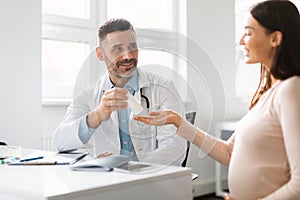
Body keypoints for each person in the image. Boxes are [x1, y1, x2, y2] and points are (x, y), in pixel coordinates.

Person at [135, 0, 300, 199]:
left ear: (275, 38)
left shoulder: (291, 90)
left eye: (248, 33)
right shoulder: (267, 94)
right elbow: (230, 152)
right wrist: (178, 122)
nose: (240, 41)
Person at [53, 18, 186, 166]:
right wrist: (97, 115)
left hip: (152, 181)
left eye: (132, 47)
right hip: (109, 181)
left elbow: (175, 148)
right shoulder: (88, 96)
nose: (128, 56)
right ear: (100, 54)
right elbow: (60, 142)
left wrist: (133, 170)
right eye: (118, 49)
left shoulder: (164, 89)